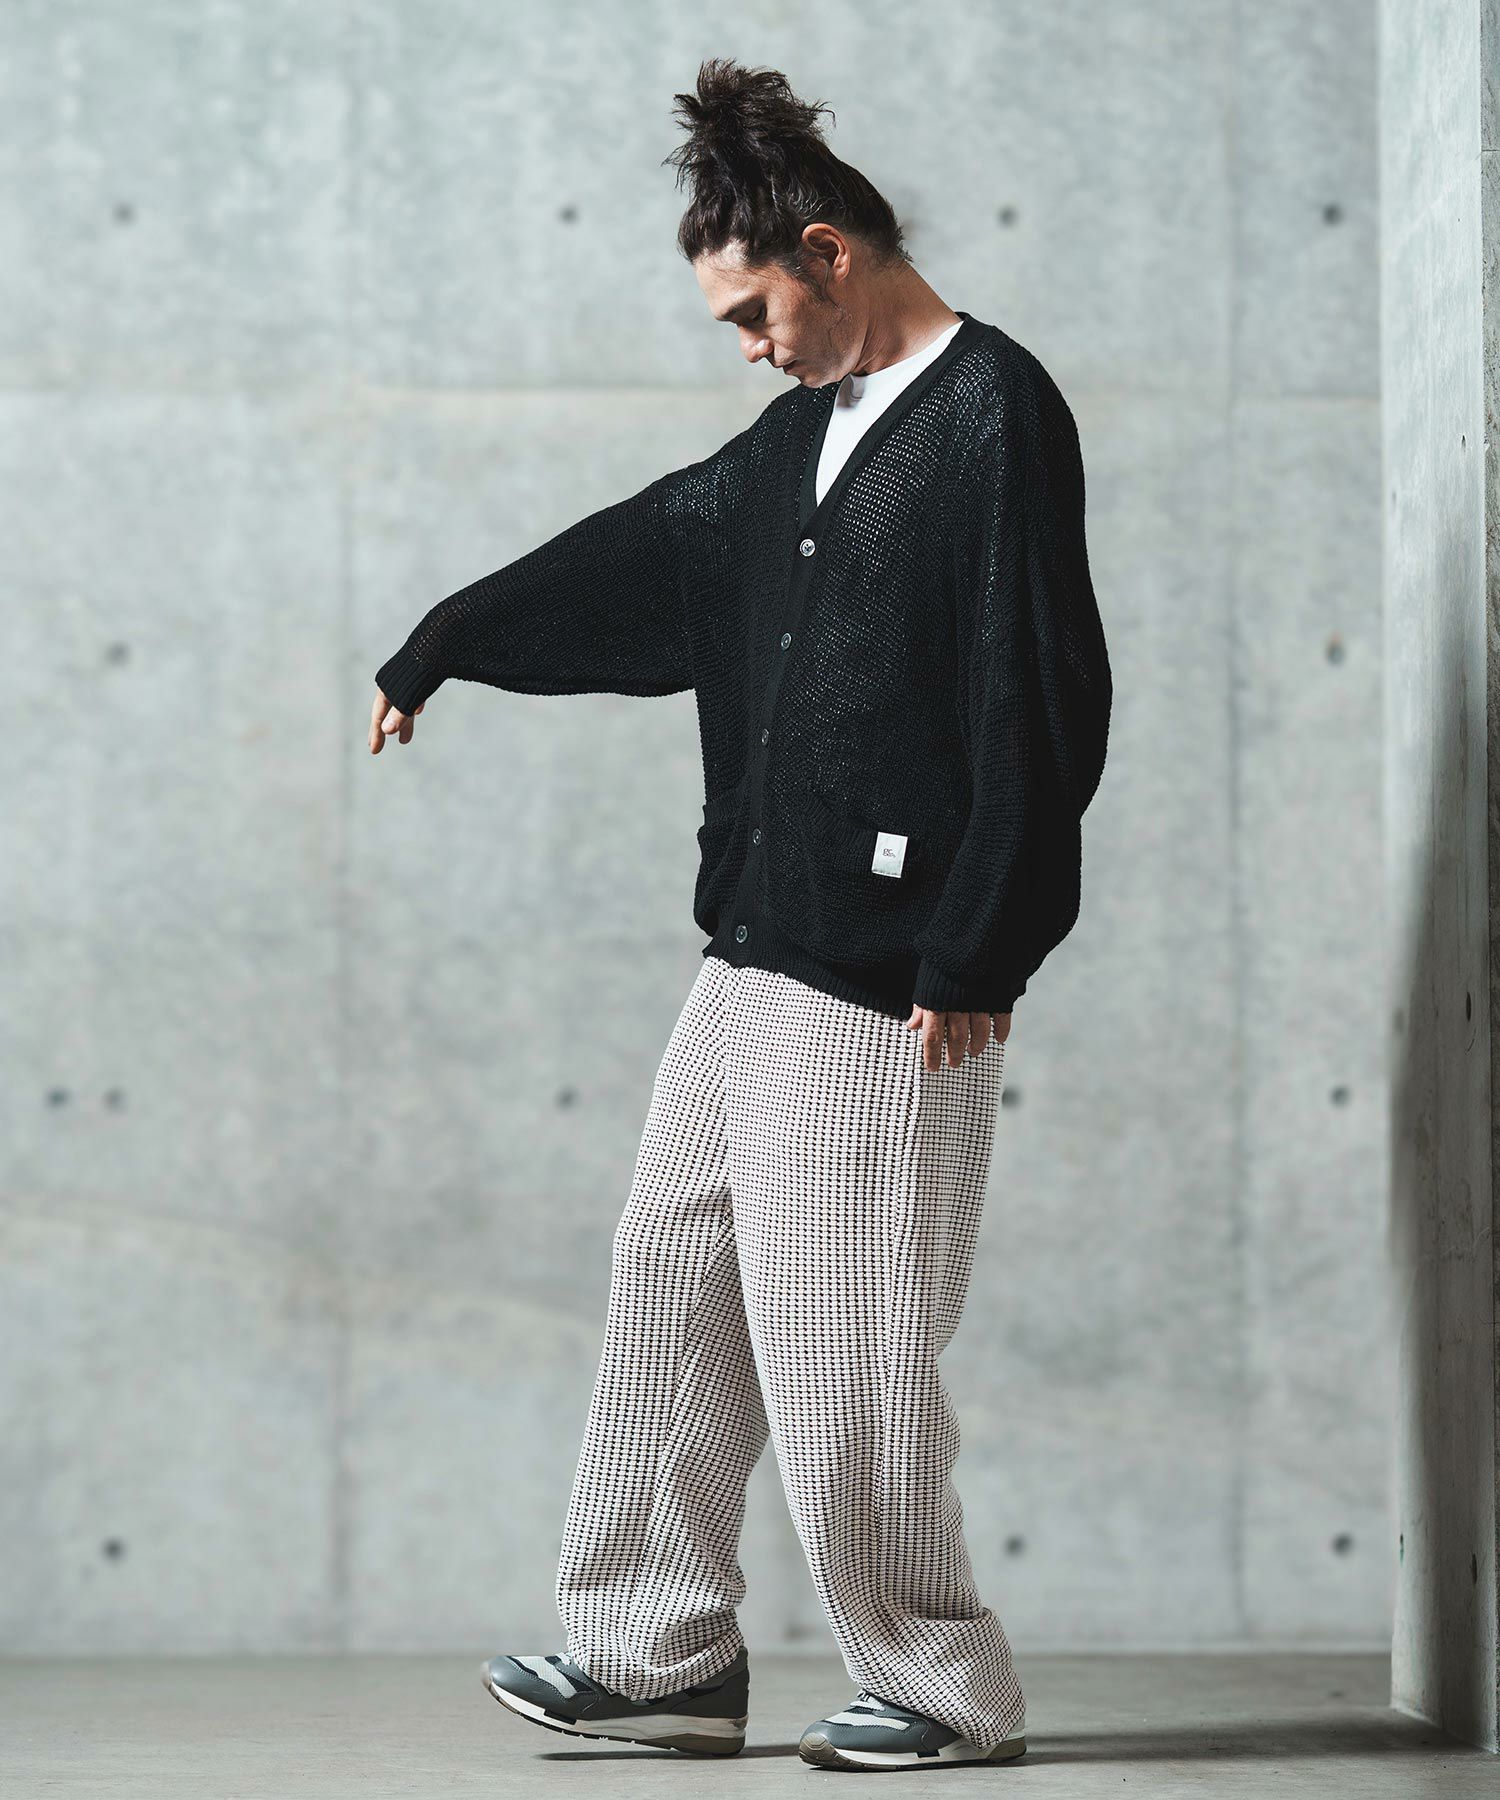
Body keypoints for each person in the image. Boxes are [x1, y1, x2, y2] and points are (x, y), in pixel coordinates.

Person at [369, 55, 1110, 1775]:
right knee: (671, 1283)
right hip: (758, 944)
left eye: (756, 312)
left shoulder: (992, 411)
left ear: (831, 255)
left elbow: (1042, 687)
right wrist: (451, 639)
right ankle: (658, 1655)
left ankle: (941, 1686)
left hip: (897, 968)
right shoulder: (802, 435)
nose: (753, 348)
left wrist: (981, 940)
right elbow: (664, 551)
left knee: (848, 1335)